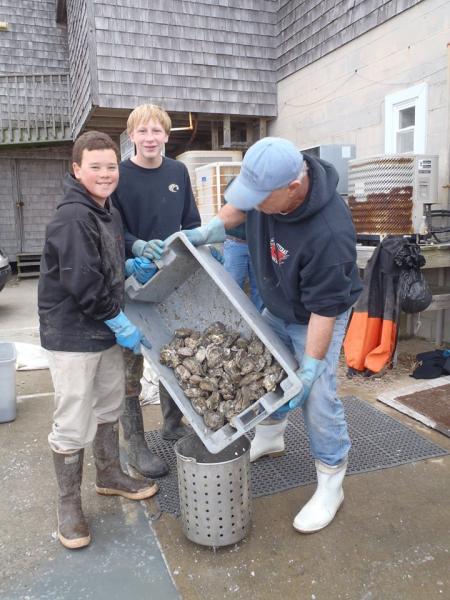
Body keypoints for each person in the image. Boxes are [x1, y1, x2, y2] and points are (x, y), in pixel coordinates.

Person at [182, 137, 362, 533]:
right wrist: (209, 229)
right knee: (262, 369)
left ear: (293, 187)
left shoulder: (329, 233)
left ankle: (331, 480)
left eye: (261, 197)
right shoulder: (268, 191)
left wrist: (311, 367)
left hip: (316, 314)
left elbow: (323, 312)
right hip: (279, 301)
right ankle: (271, 436)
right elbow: (238, 209)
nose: (255, 204)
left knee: (316, 395)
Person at [38, 131, 159, 550]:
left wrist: (126, 263)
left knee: (108, 405)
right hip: (72, 333)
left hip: (104, 329)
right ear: (76, 169)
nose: (106, 174)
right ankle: (68, 504)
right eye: (96, 166)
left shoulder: (106, 210)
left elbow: (101, 260)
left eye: (111, 166)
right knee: (73, 419)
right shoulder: (72, 216)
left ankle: (109, 473)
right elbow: (82, 281)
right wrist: (121, 321)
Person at [112, 104, 201, 478]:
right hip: (133, 278)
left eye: (157, 131)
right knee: (132, 359)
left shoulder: (178, 171)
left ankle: (171, 421)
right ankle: (135, 445)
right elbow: (112, 228)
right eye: (142, 131)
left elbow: (192, 222)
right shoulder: (120, 174)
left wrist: (199, 247)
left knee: (175, 349)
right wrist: (134, 248)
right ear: (131, 136)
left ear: (167, 135)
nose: (150, 138)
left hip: (173, 277)